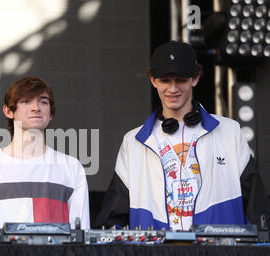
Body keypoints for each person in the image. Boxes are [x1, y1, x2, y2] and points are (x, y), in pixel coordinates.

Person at [94, 41, 270, 231]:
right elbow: (112, 222)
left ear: (195, 78)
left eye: (181, 80)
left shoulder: (229, 132)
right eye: (165, 80)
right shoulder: (133, 142)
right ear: (153, 80)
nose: (173, 89)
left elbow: (258, 212)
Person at [0, 76, 90, 229]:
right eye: (26, 101)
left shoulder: (72, 167)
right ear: (8, 111)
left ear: (51, 113)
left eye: (44, 102)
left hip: (55, 253)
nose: (36, 108)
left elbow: (82, 238)